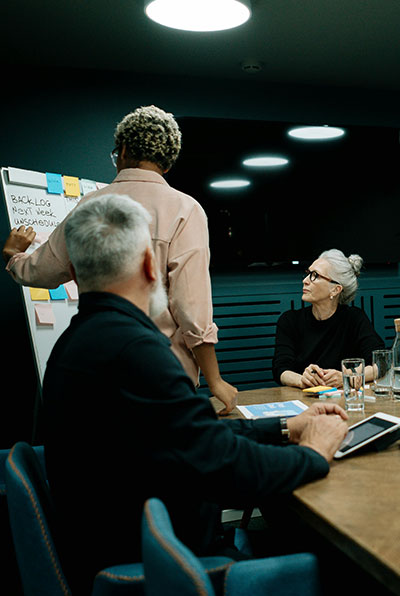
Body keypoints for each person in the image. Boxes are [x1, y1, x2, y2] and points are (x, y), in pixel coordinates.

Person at [40, 193, 348, 593]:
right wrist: (313, 455)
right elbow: (224, 465)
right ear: (150, 265)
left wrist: (286, 427)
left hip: (112, 550)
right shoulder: (137, 352)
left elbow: (189, 434)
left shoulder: (75, 344)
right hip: (165, 567)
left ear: (74, 272)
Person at [2, 104, 237, 413]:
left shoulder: (89, 206)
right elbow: (191, 307)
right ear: (167, 164)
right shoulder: (186, 209)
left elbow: (40, 272)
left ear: (123, 150)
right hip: (163, 375)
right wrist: (215, 380)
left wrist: (13, 255)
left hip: (94, 370)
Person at [272, 249, 385, 388]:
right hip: (303, 398)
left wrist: (347, 376)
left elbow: (381, 363)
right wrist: (302, 380)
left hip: (344, 398)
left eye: (315, 276)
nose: (305, 281)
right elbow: (280, 369)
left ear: (335, 289)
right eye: (308, 273)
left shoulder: (354, 318)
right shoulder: (289, 320)